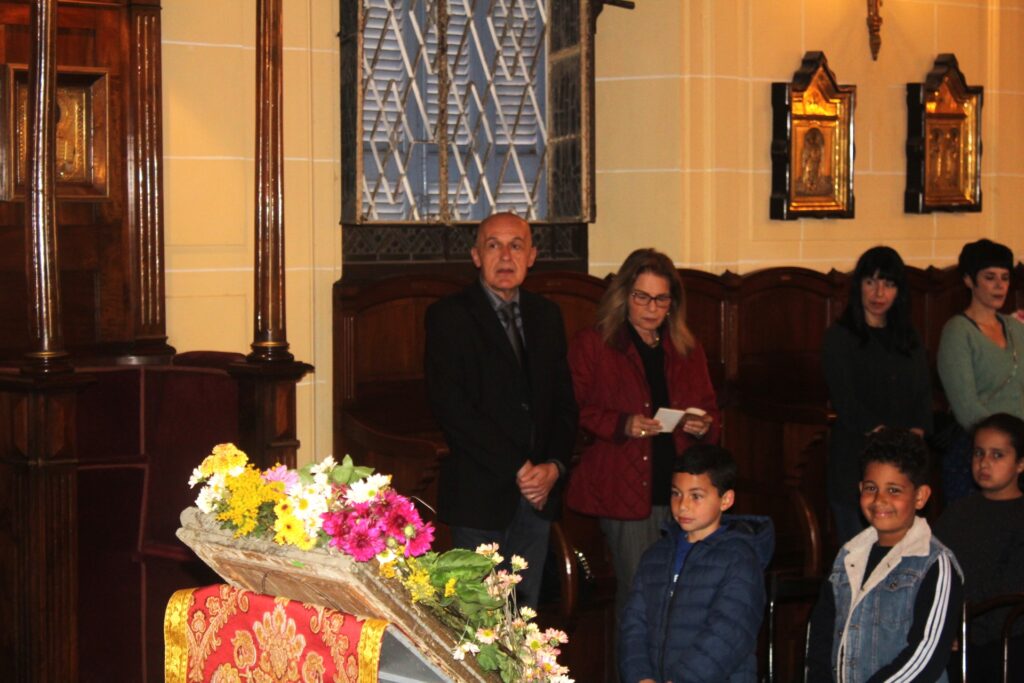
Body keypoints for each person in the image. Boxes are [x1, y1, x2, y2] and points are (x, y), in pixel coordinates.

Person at [423, 212, 578, 608]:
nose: (506, 256)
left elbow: (564, 403)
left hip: (538, 496)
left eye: (516, 246)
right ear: (476, 256)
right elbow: (453, 408)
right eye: (494, 245)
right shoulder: (449, 316)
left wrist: (554, 467)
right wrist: (518, 467)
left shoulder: (547, 315)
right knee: (479, 621)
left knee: (525, 618)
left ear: (532, 256)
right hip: (480, 497)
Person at [566, 248, 719, 615]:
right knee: (640, 595)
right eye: (642, 297)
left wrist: (701, 425)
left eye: (661, 299)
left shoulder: (685, 347)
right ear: (624, 296)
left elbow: (710, 409)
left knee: (684, 595)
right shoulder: (596, 344)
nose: (652, 308)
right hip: (625, 487)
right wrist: (622, 423)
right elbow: (572, 410)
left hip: (679, 487)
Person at [806, 428, 963, 682]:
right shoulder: (848, 558)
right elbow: (821, 639)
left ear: (920, 496)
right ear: (860, 489)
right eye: (871, 488)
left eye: (894, 490)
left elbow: (926, 657)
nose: (879, 499)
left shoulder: (936, 564)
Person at [618, 445, 773, 683]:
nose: (683, 505)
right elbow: (634, 624)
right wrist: (640, 676)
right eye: (676, 493)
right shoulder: (655, 556)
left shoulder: (740, 558)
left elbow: (729, 632)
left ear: (726, 499)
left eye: (696, 496)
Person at [822, 246, 932, 546]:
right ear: (858, 286)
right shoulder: (840, 337)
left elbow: (923, 393)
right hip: (857, 456)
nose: (879, 292)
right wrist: (886, 439)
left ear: (899, 291)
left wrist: (914, 436)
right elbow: (846, 401)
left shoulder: (908, 336)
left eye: (888, 284)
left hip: (905, 458)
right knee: (861, 551)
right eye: (870, 282)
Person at [934, 413, 1024, 681]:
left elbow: (1011, 594)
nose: (984, 463)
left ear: (1020, 463)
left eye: (997, 455)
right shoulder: (957, 513)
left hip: (1007, 637)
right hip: (957, 634)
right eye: (978, 453)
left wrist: (964, 632)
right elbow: (935, 572)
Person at [937, 238, 1024, 503]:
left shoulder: (1016, 327)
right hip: (979, 452)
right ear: (969, 280)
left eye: (1005, 278)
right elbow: (967, 408)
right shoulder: (958, 331)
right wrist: (1006, 445)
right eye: (989, 277)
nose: (1000, 286)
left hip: (1019, 450)